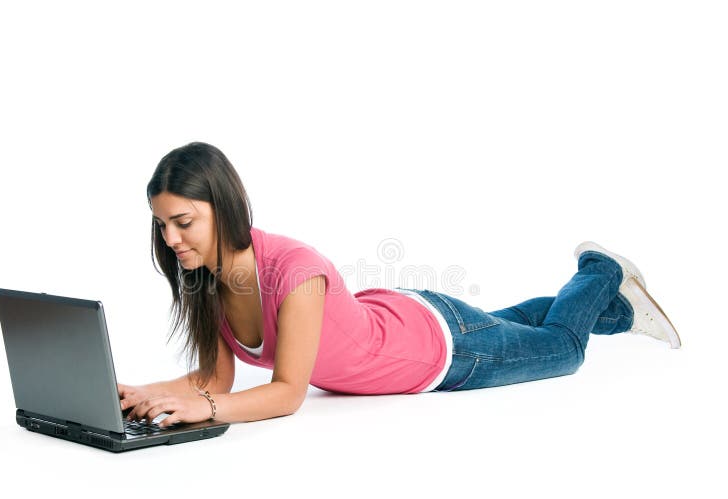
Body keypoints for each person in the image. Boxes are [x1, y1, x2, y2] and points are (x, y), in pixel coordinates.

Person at [118, 142, 681, 427]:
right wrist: (152, 394)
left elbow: (289, 394)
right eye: (161, 224)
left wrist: (208, 410)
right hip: (406, 321)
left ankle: (600, 272)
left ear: (224, 208)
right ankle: (620, 311)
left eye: (183, 222)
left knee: (562, 350)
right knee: (517, 322)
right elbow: (217, 377)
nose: (170, 238)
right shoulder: (207, 279)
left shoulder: (294, 270)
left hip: (439, 354)